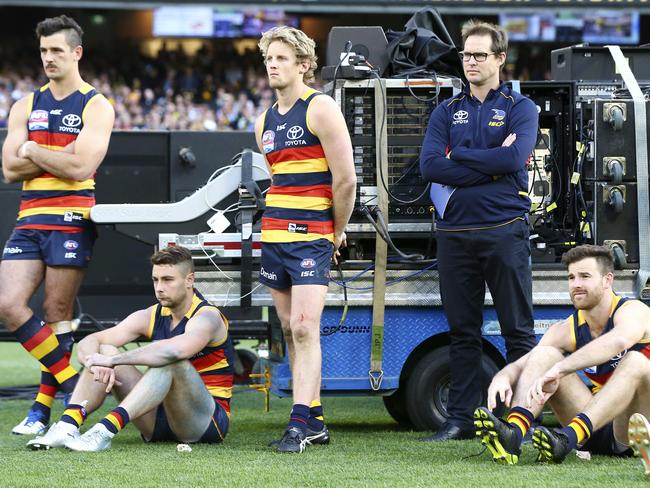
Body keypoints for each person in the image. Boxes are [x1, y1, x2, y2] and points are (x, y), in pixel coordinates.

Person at [419, 20, 538, 441]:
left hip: (505, 231)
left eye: (479, 55)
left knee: (517, 331)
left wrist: (462, 156)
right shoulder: (447, 110)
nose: (470, 62)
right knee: (462, 332)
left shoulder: (522, 107)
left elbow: (515, 160)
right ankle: (460, 420)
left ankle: (523, 418)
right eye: (466, 55)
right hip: (454, 235)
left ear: (500, 58)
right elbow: (429, 166)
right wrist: (487, 161)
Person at [0, 15, 114, 435]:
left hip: (71, 218)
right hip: (29, 218)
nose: (48, 58)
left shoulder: (96, 104)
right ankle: (71, 384)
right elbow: (9, 169)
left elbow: (83, 165)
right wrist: (53, 155)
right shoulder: (25, 105)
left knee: (56, 315)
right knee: (7, 304)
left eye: (56, 51)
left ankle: (41, 411)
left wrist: (32, 147)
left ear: (76, 53)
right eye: (44, 51)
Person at [254, 26, 356, 453]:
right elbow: (277, 180)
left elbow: (346, 180)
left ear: (303, 65)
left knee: (303, 327)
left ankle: (297, 425)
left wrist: (335, 231)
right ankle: (313, 418)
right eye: (268, 59)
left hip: (312, 236)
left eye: (281, 58)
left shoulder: (321, 108)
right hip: (274, 235)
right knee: (287, 328)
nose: (273, 66)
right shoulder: (262, 121)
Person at [26, 246, 234, 452]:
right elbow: (92, 339)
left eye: (168, 280)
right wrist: (94, 361)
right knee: (105, 349)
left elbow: (174, 352)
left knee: (170, 362)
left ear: (189, 280)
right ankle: (68, 424)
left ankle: (104, 430)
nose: (159, 287)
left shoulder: (208, 317)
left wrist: (115, 362)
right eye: (155, 280)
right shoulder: (152, 314)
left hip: (205, 423)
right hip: (157, 420)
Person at [473, 244, 650, 474]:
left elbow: (617, 342)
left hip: (637, 424)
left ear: (607, 280)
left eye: (585, 276)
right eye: (571, 277)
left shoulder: (633, 311)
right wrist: (503, 376)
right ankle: (513, 436)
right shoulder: (567, 329)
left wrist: (561, 369)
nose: (576, 284)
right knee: (544, 354)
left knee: (636, 362)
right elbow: (527, 362)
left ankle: (565, 439)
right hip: (594, 428)